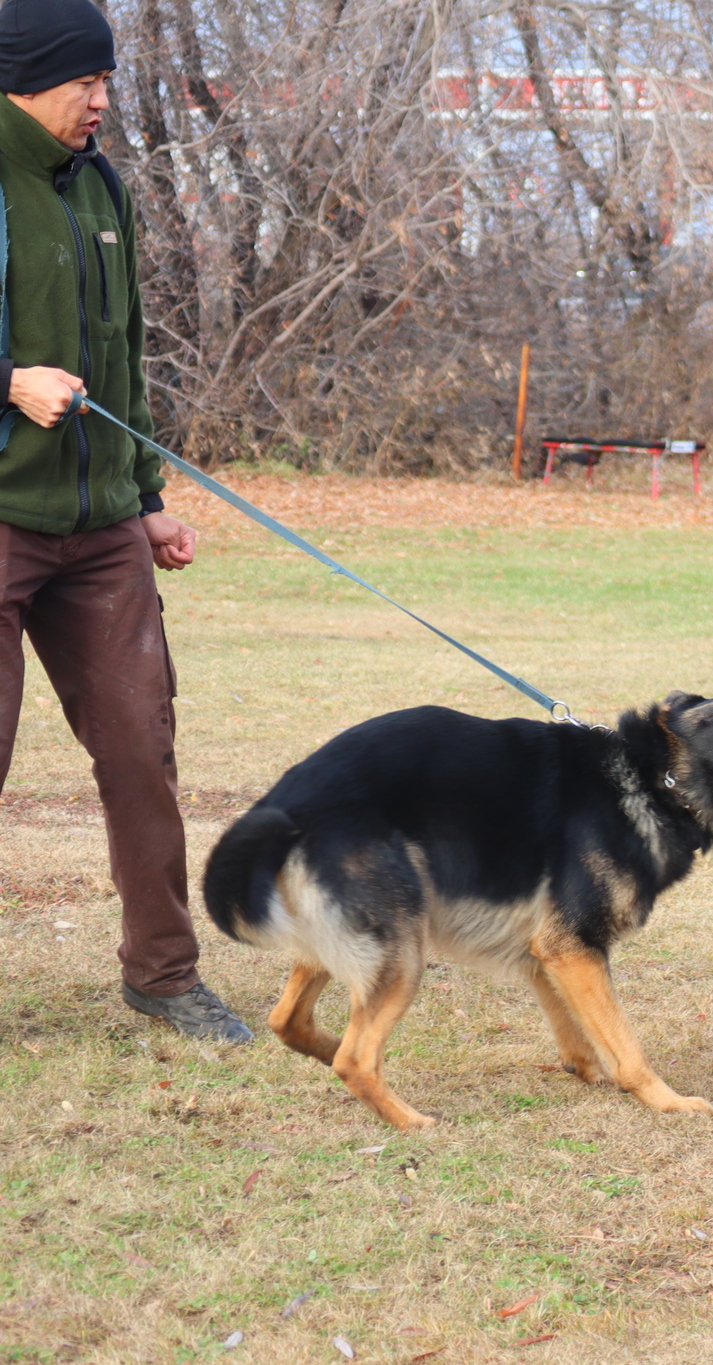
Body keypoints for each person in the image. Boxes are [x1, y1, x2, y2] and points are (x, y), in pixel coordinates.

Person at [0, 0, 251, 1042]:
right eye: (83, 82)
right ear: (23, 77)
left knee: (142, 748)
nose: (103, 100)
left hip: (100, 526)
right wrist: (7, 383)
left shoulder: (101, 184)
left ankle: (163, 973)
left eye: (107, 80)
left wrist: (145, 501)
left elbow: (125, 353)